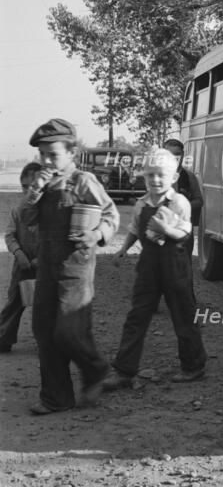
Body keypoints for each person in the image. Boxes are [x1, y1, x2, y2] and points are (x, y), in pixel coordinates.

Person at [23, 119, 120, 415]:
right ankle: (56, 398)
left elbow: (111, 214)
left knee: (68, 330)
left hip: (76, 265)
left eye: (53, 154)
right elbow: (27, 222)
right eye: (43, 155)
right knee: (43, 330)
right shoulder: (41, 183)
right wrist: (34, 193)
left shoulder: (83, 181)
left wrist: (96, 234)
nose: (47, 160)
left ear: (72, 153)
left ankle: (97, 369)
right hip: (47, 265)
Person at [103, 149, 207, 390]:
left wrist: (166, 230)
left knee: (183, 315)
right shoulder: (141, 203)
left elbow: (185, 232)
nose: (155, 180)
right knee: (137, 316)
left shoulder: (180, 202)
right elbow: (134, 228)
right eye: (150, 175)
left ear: (173, 177)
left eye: (161, 175)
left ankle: (194, 366)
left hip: (175, 266)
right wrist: (123, 250)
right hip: (148, 268)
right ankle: (124, 370)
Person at [0, 162, 41, 353]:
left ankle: (48, 341)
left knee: (48, 304)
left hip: (46, 265)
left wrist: (41, 259)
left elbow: (56, 239)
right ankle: (3, 337)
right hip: (22, 264)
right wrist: (19, 253)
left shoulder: (49, 211)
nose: (28, 191)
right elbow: (9, 235)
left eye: (33, 186)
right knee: (14, 301)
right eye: (24, 186)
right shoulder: (18, 210)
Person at [163, 139, 203, 259]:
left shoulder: (189, 176)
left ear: (183, 155)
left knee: (183, 265)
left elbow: (199, 201)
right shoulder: (156, 176)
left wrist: (183, 206)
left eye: (177, 154)